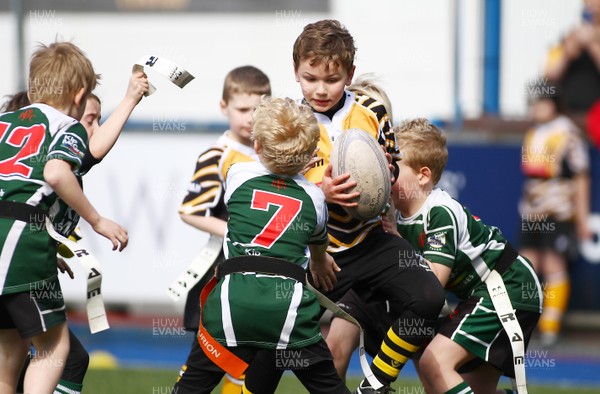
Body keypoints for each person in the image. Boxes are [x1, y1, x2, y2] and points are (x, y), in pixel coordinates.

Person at [292, 19, 445, 393]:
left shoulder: (372, 109)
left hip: (370, 240)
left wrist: (383, 169)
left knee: (428, 297)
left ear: (350, 74)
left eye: (332, 79)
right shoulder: (290, 120)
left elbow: (391, 165)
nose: (321, 89)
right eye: (311, 78)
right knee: (276, 331)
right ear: (296, 73)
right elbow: (279, 189)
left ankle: (374, 384)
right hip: (317, 249)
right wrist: (320, 194)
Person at [172, 96, 350, 394]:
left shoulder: (237, 174)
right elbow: (319, 243)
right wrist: (319, 260)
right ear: (310, 156)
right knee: (329, 388)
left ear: (257, 146)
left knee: (191, 387)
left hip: (231, 303)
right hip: (288, 311)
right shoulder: (316, 198)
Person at [5, 70, 148, 394]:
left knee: (23, 356)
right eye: (90, 118)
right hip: (15, 264)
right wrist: (130, 98)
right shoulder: (59, 141)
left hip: (14, 258)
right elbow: (92, 151)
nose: (93, 130)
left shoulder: (29, 155)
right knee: (59, 356)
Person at [386, 118, 542, 393]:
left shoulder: (439, 212)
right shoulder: (399, 216)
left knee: (433, 363)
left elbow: (433, 283)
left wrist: (395, 242)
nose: (386, 173)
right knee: (452, 381)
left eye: (393, 167)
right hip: (484, 293)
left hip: (508, 285)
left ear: (423, 175)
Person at [176, 65, 270, 394]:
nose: (250, 117)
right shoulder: (218, 155)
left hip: (256, 275)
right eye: (242, 109)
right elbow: (190, 210)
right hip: (220, 271)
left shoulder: (268, 155)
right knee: (204, 362)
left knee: (249, 363)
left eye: (258, 109)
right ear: (223, 107)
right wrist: (236, 232)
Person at [519, 82, 592, 347]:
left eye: (540, 102)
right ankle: (524, 321)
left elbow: (581, 177)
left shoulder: (568, 133)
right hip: (531, 211)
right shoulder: (534, 132)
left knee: (553, 265)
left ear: (553, 104)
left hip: (558, 211)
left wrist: (582, 219)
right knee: (527, 265)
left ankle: (550, 326)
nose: (535, 107)